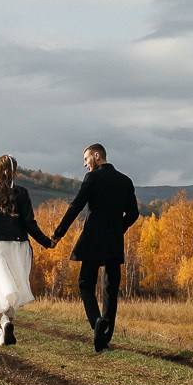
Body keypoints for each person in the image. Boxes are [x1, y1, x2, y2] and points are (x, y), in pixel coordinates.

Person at [51, 143, 138, 352]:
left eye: (86, 159)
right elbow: (133, 214)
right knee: (110, 290)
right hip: (114, 242)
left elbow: (75, 207)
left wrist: (57, 234)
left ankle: (96, 322)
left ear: (97, 156)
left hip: (92, 240)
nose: (85, 164)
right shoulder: (125, 181)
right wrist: (118, 228)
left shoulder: (92, 178)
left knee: (85, 285)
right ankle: (105, 338)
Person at [0, 155, 54, 346]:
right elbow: (30, 223)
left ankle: (4, 323)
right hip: (18, 246)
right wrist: (46, 242)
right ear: (13, 171)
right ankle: (5, 325)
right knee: (11, 287)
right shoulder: (21, 193)